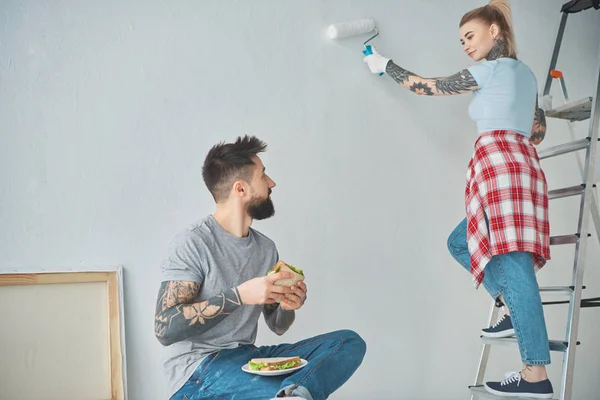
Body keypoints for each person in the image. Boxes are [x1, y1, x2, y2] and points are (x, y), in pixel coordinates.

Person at [363, 0, 552, 398]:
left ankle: (535, 376)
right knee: (459, 241)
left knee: (514, 262)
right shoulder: (526, 74)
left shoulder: (490, 69)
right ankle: (513, 309)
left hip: (500, 166)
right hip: (522, 163)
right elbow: (538, 131)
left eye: (470, 36)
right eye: (461, 39)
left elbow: (429, 86)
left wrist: (386, 66)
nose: (465, 45)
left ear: (494, 32)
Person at [154, 135, 366, 400]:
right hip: (198, 369)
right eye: (263, 175)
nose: (272, 183)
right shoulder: (193, 242)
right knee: (277, 389)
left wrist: (287, 306)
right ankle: (290, 394)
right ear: (241, 189)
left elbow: (277, 325)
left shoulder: (266, 248)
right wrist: (240, 295)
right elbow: (164, 329)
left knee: (347, 342)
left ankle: (293, 394)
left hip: (248, 358)